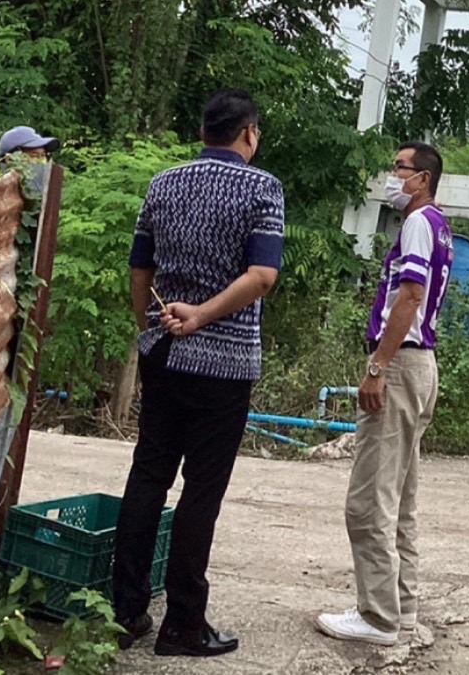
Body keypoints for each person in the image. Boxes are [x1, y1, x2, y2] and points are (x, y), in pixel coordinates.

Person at [112, 89, 284, 657]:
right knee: (201, 493)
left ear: (204, 130)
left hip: (163, 356)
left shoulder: (163, 184)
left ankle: (125, 610)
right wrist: (203, 317)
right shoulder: (262, 189)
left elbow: (140, 266)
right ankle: (183, 623)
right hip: (225, 364)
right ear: (249, 134)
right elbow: (262, 274)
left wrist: (151, 328)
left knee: (148, 476)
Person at [317, 142, 452, 646]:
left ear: (422, 179)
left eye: (399, 168)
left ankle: (377, 617)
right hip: (421, 365)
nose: (392, 176)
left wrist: (377, 366)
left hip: (400, 364)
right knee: (401, 498)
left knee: (369, 499)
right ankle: (404, 612)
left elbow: (410, 294)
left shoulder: (418, 223)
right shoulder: (440, 226)